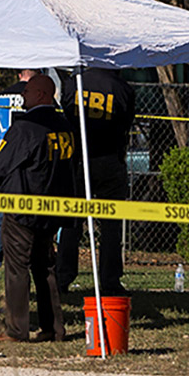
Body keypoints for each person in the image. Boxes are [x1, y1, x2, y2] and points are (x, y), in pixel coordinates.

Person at [0, 74, 76, 342]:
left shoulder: (25, 127)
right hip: (53, 208)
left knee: (17, 268)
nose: (22, 95)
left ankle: (16, 329)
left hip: (23, 206)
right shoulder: (65, 126)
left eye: (27, 91)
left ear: (41, 95)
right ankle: (53, 328)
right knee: (45, 268)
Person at [56, 66, 136, 293]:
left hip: (79, 161)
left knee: (71, 223)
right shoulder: (123, 89)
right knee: (111, 226)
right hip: (110, 159)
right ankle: (110, 280)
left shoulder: (74, 82)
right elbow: (126, 124)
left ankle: (63, 276)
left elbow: (66, 115)